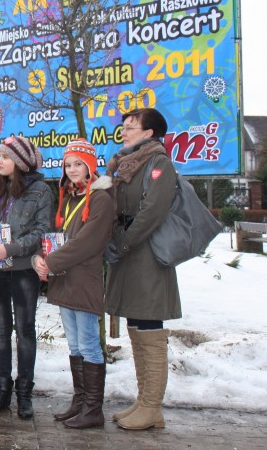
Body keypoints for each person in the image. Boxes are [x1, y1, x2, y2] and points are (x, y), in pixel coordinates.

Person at [104, 108, 180, 430]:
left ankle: (152, 406)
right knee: (136, 326)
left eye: (131, 126)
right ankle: (144, 402)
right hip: (129, 253)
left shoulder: (158, 163)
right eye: (123, 126)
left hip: (147, 255)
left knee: (150, 327)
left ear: (149, 133)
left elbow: (151, 212)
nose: (124, 131)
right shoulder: (125, 164)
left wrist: (122, 243)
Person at [32, 138, 114, 428]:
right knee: (75, 345)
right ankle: (80, 402)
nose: (72, 169)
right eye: (68, 165)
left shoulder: (101, 199)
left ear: (90, 165)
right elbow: (57, 239)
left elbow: (85, 243)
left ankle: (93, 409)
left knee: (90, 345)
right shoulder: (70, 198)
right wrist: (41, 260)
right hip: (65, 280)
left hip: (84, 281)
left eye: (78, 164)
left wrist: (51, 263)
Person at [0, 135, 53, 419]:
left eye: (5, 157)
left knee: (26, 330)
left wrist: (11, 248)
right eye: (0, 156)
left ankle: (24, 394)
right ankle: (2, 391)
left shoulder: (40, 190)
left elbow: (42, 231)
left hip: (23, 271)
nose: (0, 161)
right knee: (1, 330)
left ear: (19, 162)